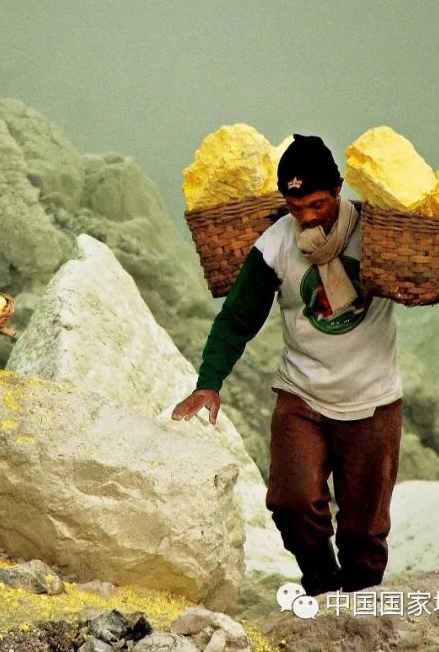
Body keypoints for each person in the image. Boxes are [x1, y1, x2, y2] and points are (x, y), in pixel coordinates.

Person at [171, 134, 402, 596]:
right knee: (291, 502)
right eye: (295, 207)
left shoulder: (376, 234)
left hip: (373, 401)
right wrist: (209, 381)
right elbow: (237, 319)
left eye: (317, 204)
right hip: (303, 395)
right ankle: (321, 585)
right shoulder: (274, 245)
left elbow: (424, 275)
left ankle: (360, 610)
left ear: (339, 188)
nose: (307, 216)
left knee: (364, 530)